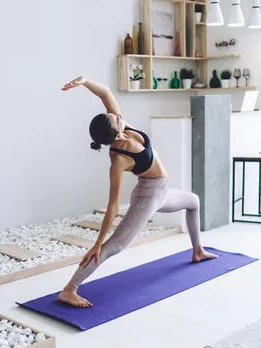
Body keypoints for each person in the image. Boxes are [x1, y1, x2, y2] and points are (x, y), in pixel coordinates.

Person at [58, 76, 217, 308]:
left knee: (193, 201)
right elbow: (112, 205)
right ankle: (69, 289)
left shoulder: (124, 126)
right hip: (148, 196)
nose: (118, 115)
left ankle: (198, 250)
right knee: (114, 246)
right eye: (115, 118)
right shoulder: (118, 160)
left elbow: (105, 94)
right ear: (114, 133)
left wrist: (85, 82)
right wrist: (98, 241)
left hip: (162, 190)